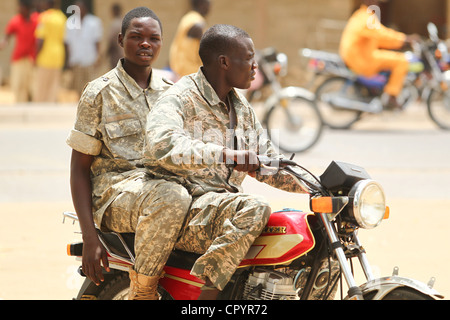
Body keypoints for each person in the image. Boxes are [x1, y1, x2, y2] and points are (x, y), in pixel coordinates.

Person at [145, 24, 308, 300]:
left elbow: (267, 163)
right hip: (183, 211)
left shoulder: (241, 107)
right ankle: (210, 295)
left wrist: (316, 185)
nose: (255, 66)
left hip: (221, 210)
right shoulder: (180, 97)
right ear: (224, 62)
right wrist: (225, 154)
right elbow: (162, 143)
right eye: (248, 58)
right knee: (256, 207)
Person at [66, 7, 191, 300]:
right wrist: (90, 236)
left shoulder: (172, 93)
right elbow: (79, 169)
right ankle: (142, 294)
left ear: (161, 43)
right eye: (136, 37)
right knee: (174, 196)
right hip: (114, 195)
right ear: (121, 40)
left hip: (161, 186)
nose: (145, 44)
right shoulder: (99, 92)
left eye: (153, 38)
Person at [339, 0, 418, 108]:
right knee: (401, 60)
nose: (378, 3)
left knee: (391, 56)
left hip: (361, 55)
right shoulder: (366, 19)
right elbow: (382, 34)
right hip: (361, 59)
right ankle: (392, 95)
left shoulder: (362, 15)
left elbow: (380, 39)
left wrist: (400, 42)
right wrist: (404, 39)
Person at [0, 0, 39, 103]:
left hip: (31, 58)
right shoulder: (16, 20)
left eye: (21, 7)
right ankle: (20, 104)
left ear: (27, 8)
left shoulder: (36, 20)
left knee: (31, 86)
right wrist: (3, 44)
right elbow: (7, 36)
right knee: (18, 85)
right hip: (18, 58)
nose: (19, 9)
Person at [64, 0, 103, 97]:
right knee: (78, 84)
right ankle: (80, 102)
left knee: (90, 83)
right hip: (76, 59)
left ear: (85, 9)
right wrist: (68, 59)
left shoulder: (94, 22)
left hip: (90, 59)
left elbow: (97, 41)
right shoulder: (69, 23)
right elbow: (67, 43)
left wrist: (98, 57)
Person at [33, 0, 67, 103]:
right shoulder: (62, 17)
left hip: (45, 55)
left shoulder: (44, 17)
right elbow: (65, 39)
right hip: (58, 54)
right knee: (54, 85)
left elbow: (40, 39)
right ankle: (50, 104)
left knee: (41, 85)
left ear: (47, 4)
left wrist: (35, 55)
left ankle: (40, 105)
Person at [169, 0, 211, 77]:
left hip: (180, 68)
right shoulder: (197, 23)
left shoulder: (188, 18)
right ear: (201, 3)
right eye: (208, 3)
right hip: (190, 71)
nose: (209, 7)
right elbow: (208, 47)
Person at [106, 3, 123, 69]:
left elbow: (111, 41)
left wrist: (105, 55)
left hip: (117, 56)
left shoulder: (115, 24)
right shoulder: (125, 22)